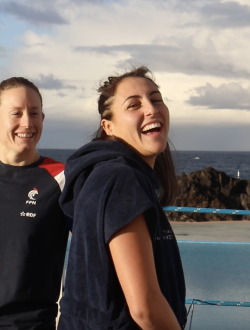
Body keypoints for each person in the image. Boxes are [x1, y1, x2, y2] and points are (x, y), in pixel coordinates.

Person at [58, 66, 187, 330]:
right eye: (134, 105)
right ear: (108, 126)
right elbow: (144, 308)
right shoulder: (121, 178)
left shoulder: (104, 175)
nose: (151, 109)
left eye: (156, 99)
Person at [0, 77, 69, 329]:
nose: (27, 123)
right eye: (16, 113)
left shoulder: (62, 178)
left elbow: (100, 248)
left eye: (35, 113)